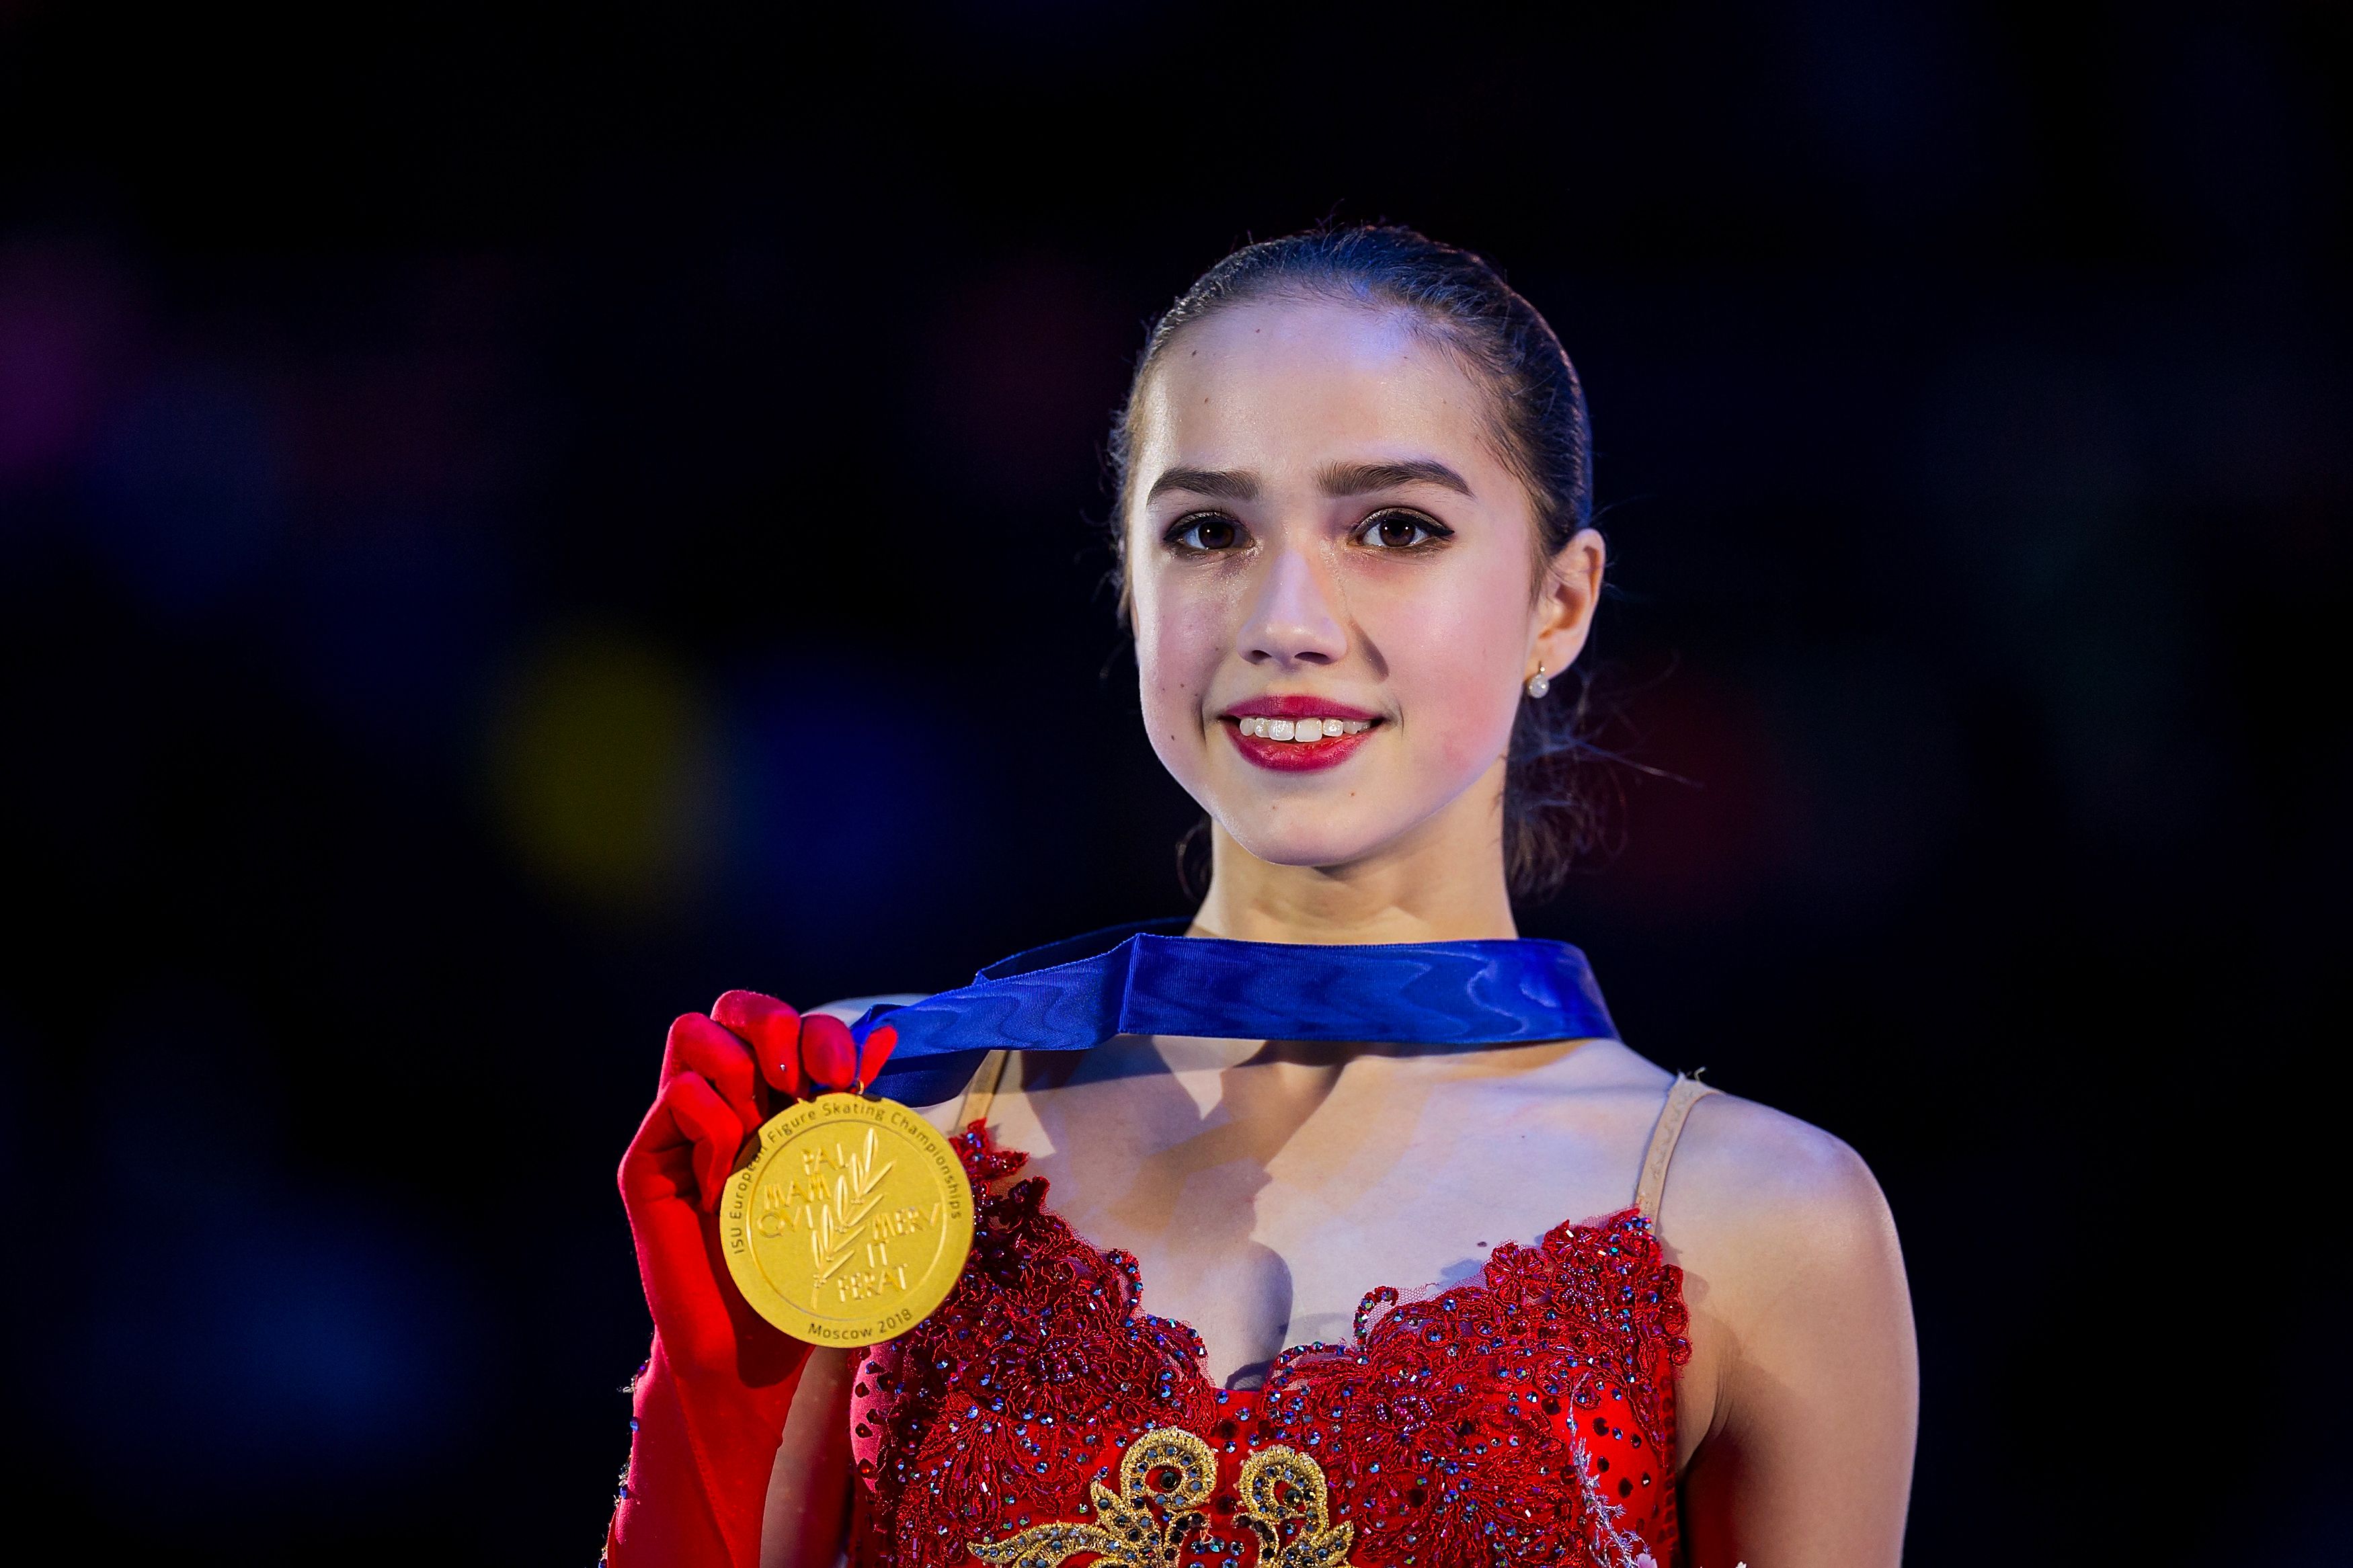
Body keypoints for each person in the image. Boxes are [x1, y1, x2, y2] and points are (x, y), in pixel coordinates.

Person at [604, 226, 1917, 1568]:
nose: (1285, 620)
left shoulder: (1763, 1223)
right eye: (1209, 531)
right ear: (1130, 582)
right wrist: (705, 1399)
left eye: (1395, 528)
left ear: (1559, 603)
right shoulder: (882, 1125)